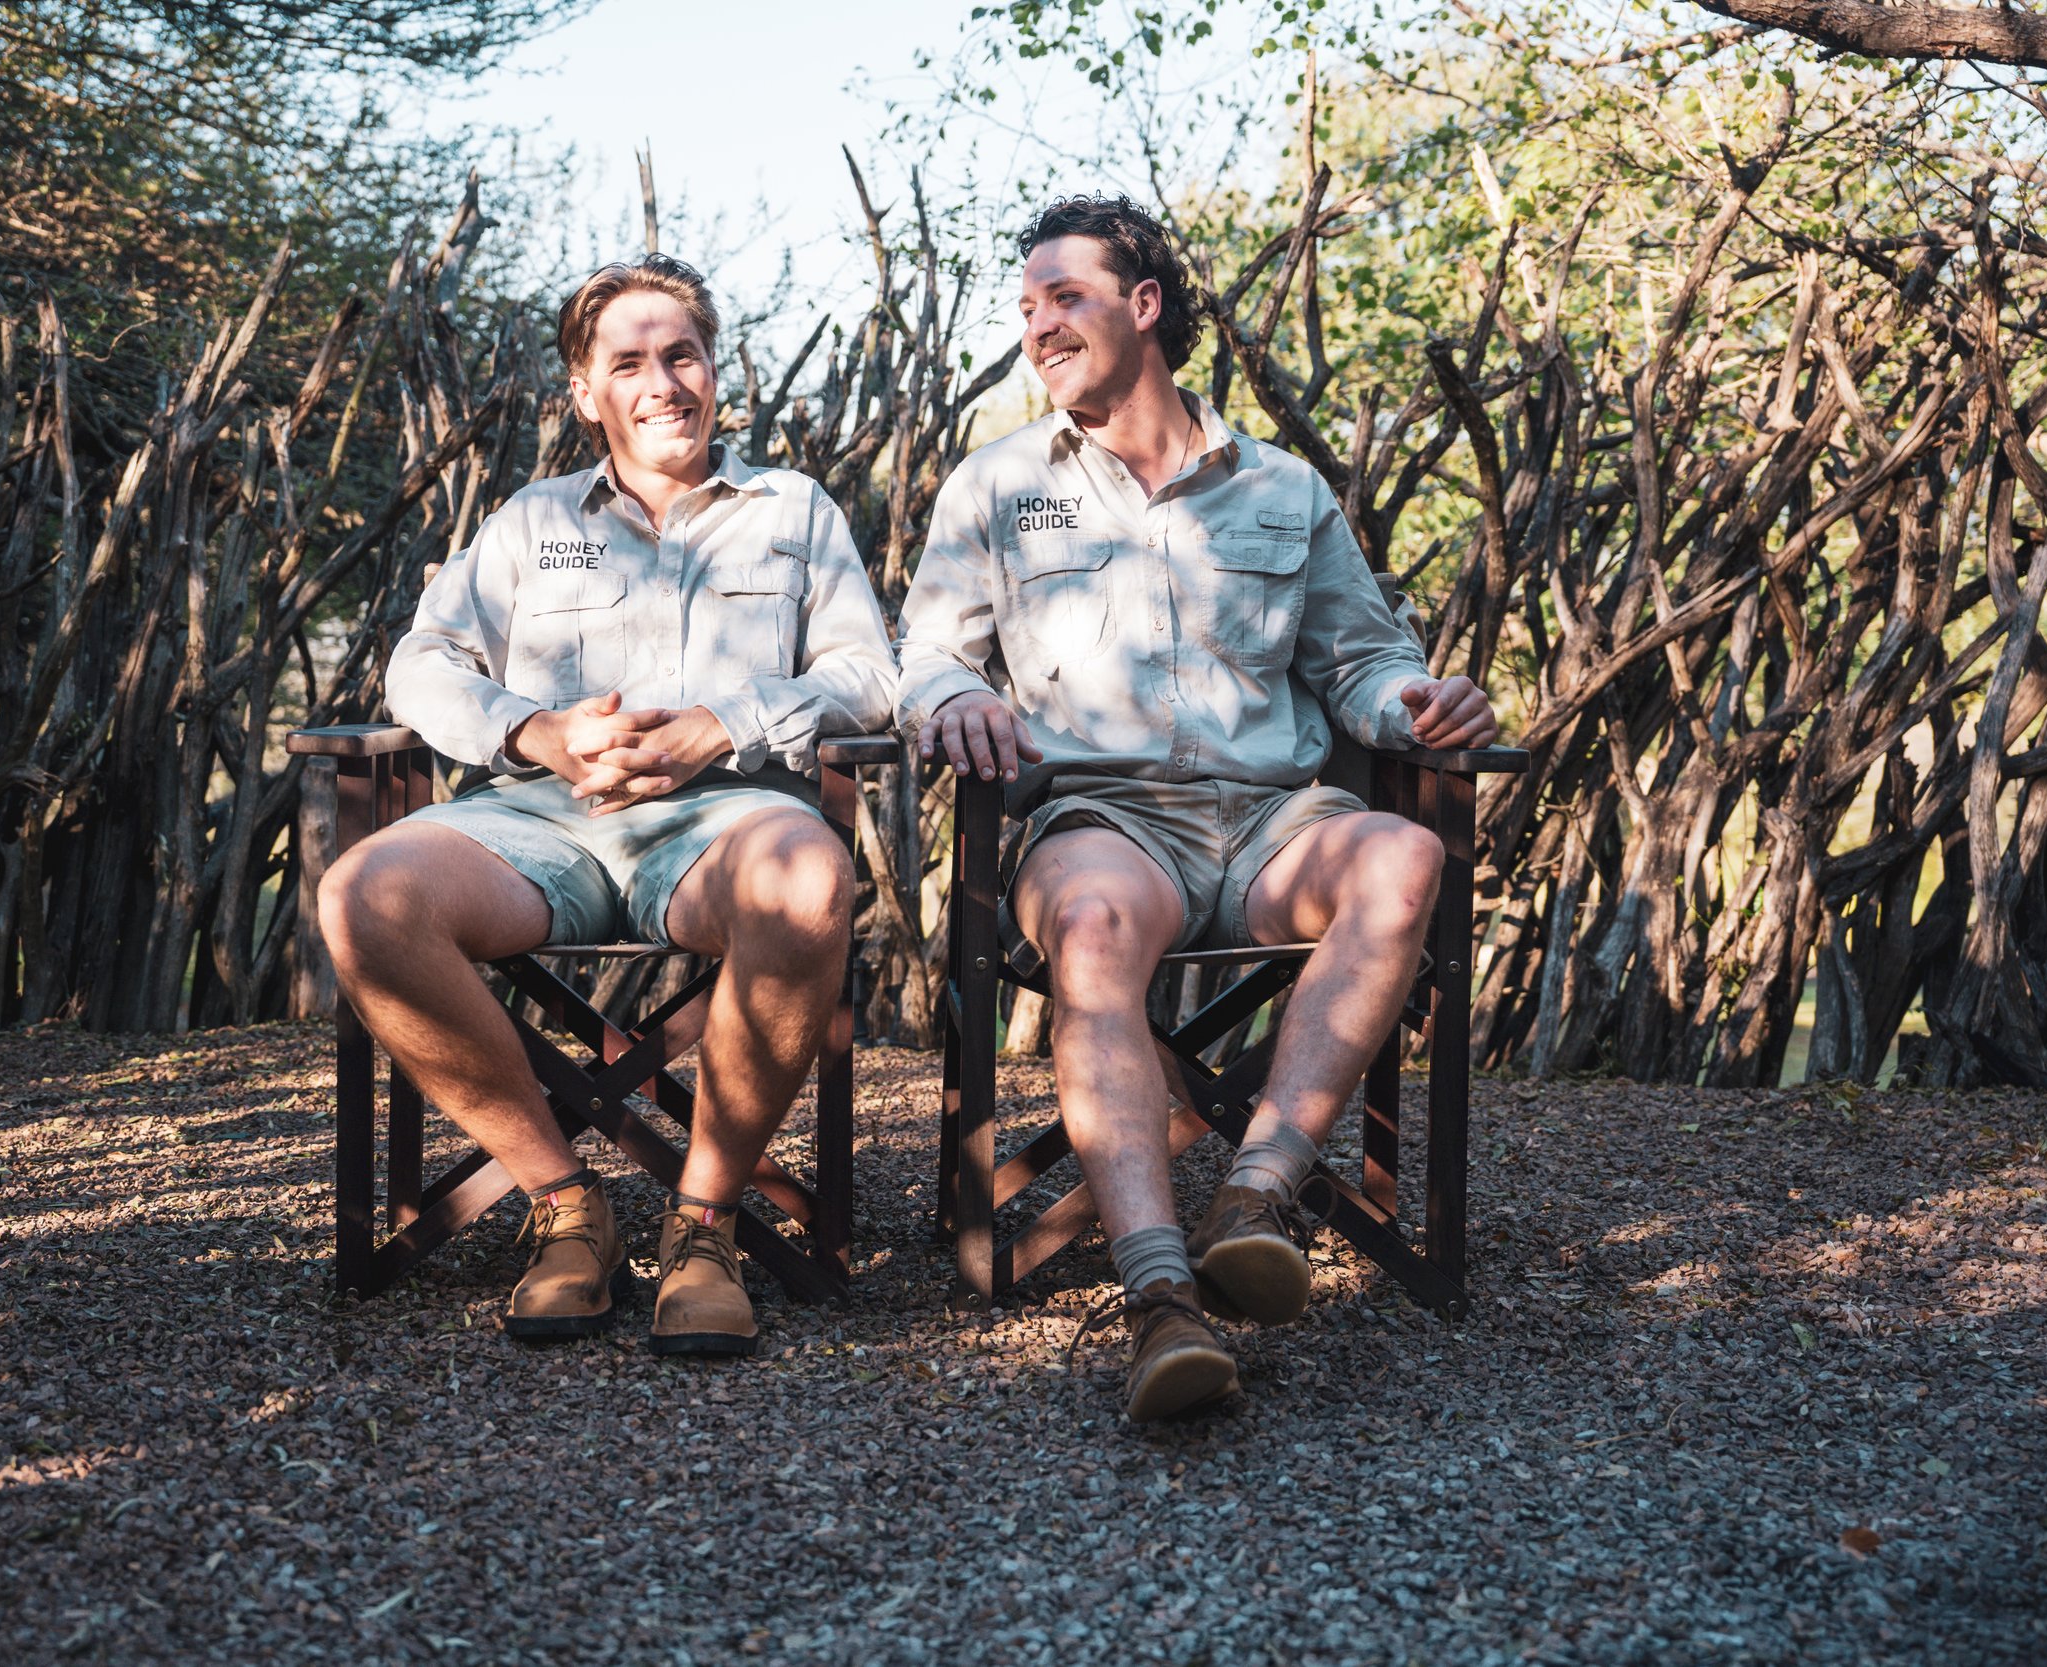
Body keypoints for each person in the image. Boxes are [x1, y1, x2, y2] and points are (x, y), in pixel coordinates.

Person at [895, 196, 1500, 1422]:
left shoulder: (1281, 488)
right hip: (1104, 819)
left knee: (1401, 854)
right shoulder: (997, 486)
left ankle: (1255, 1196)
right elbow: (926, 657)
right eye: (1025, 308)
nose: (1038, 326)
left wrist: (1418, 702)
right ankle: (1158, 1293)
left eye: (1065, 297)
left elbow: (1359, 659)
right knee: (1094, 926)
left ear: (1144, 304)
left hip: (1277, 818)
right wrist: (953, 697)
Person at [320, 255, 895, 1357]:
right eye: (628, 363)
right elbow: (421, 663)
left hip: (726, 822)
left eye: (682, 355)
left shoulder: (793, 511)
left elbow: (869, 676)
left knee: (811, 879)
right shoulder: (530, 520)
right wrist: (534, 731)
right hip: (536, 820)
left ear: (716, 370)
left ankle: (705, 1222)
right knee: (364, 896)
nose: (662, 383)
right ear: (585, 393)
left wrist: (718, 724)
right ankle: (563, 1201)